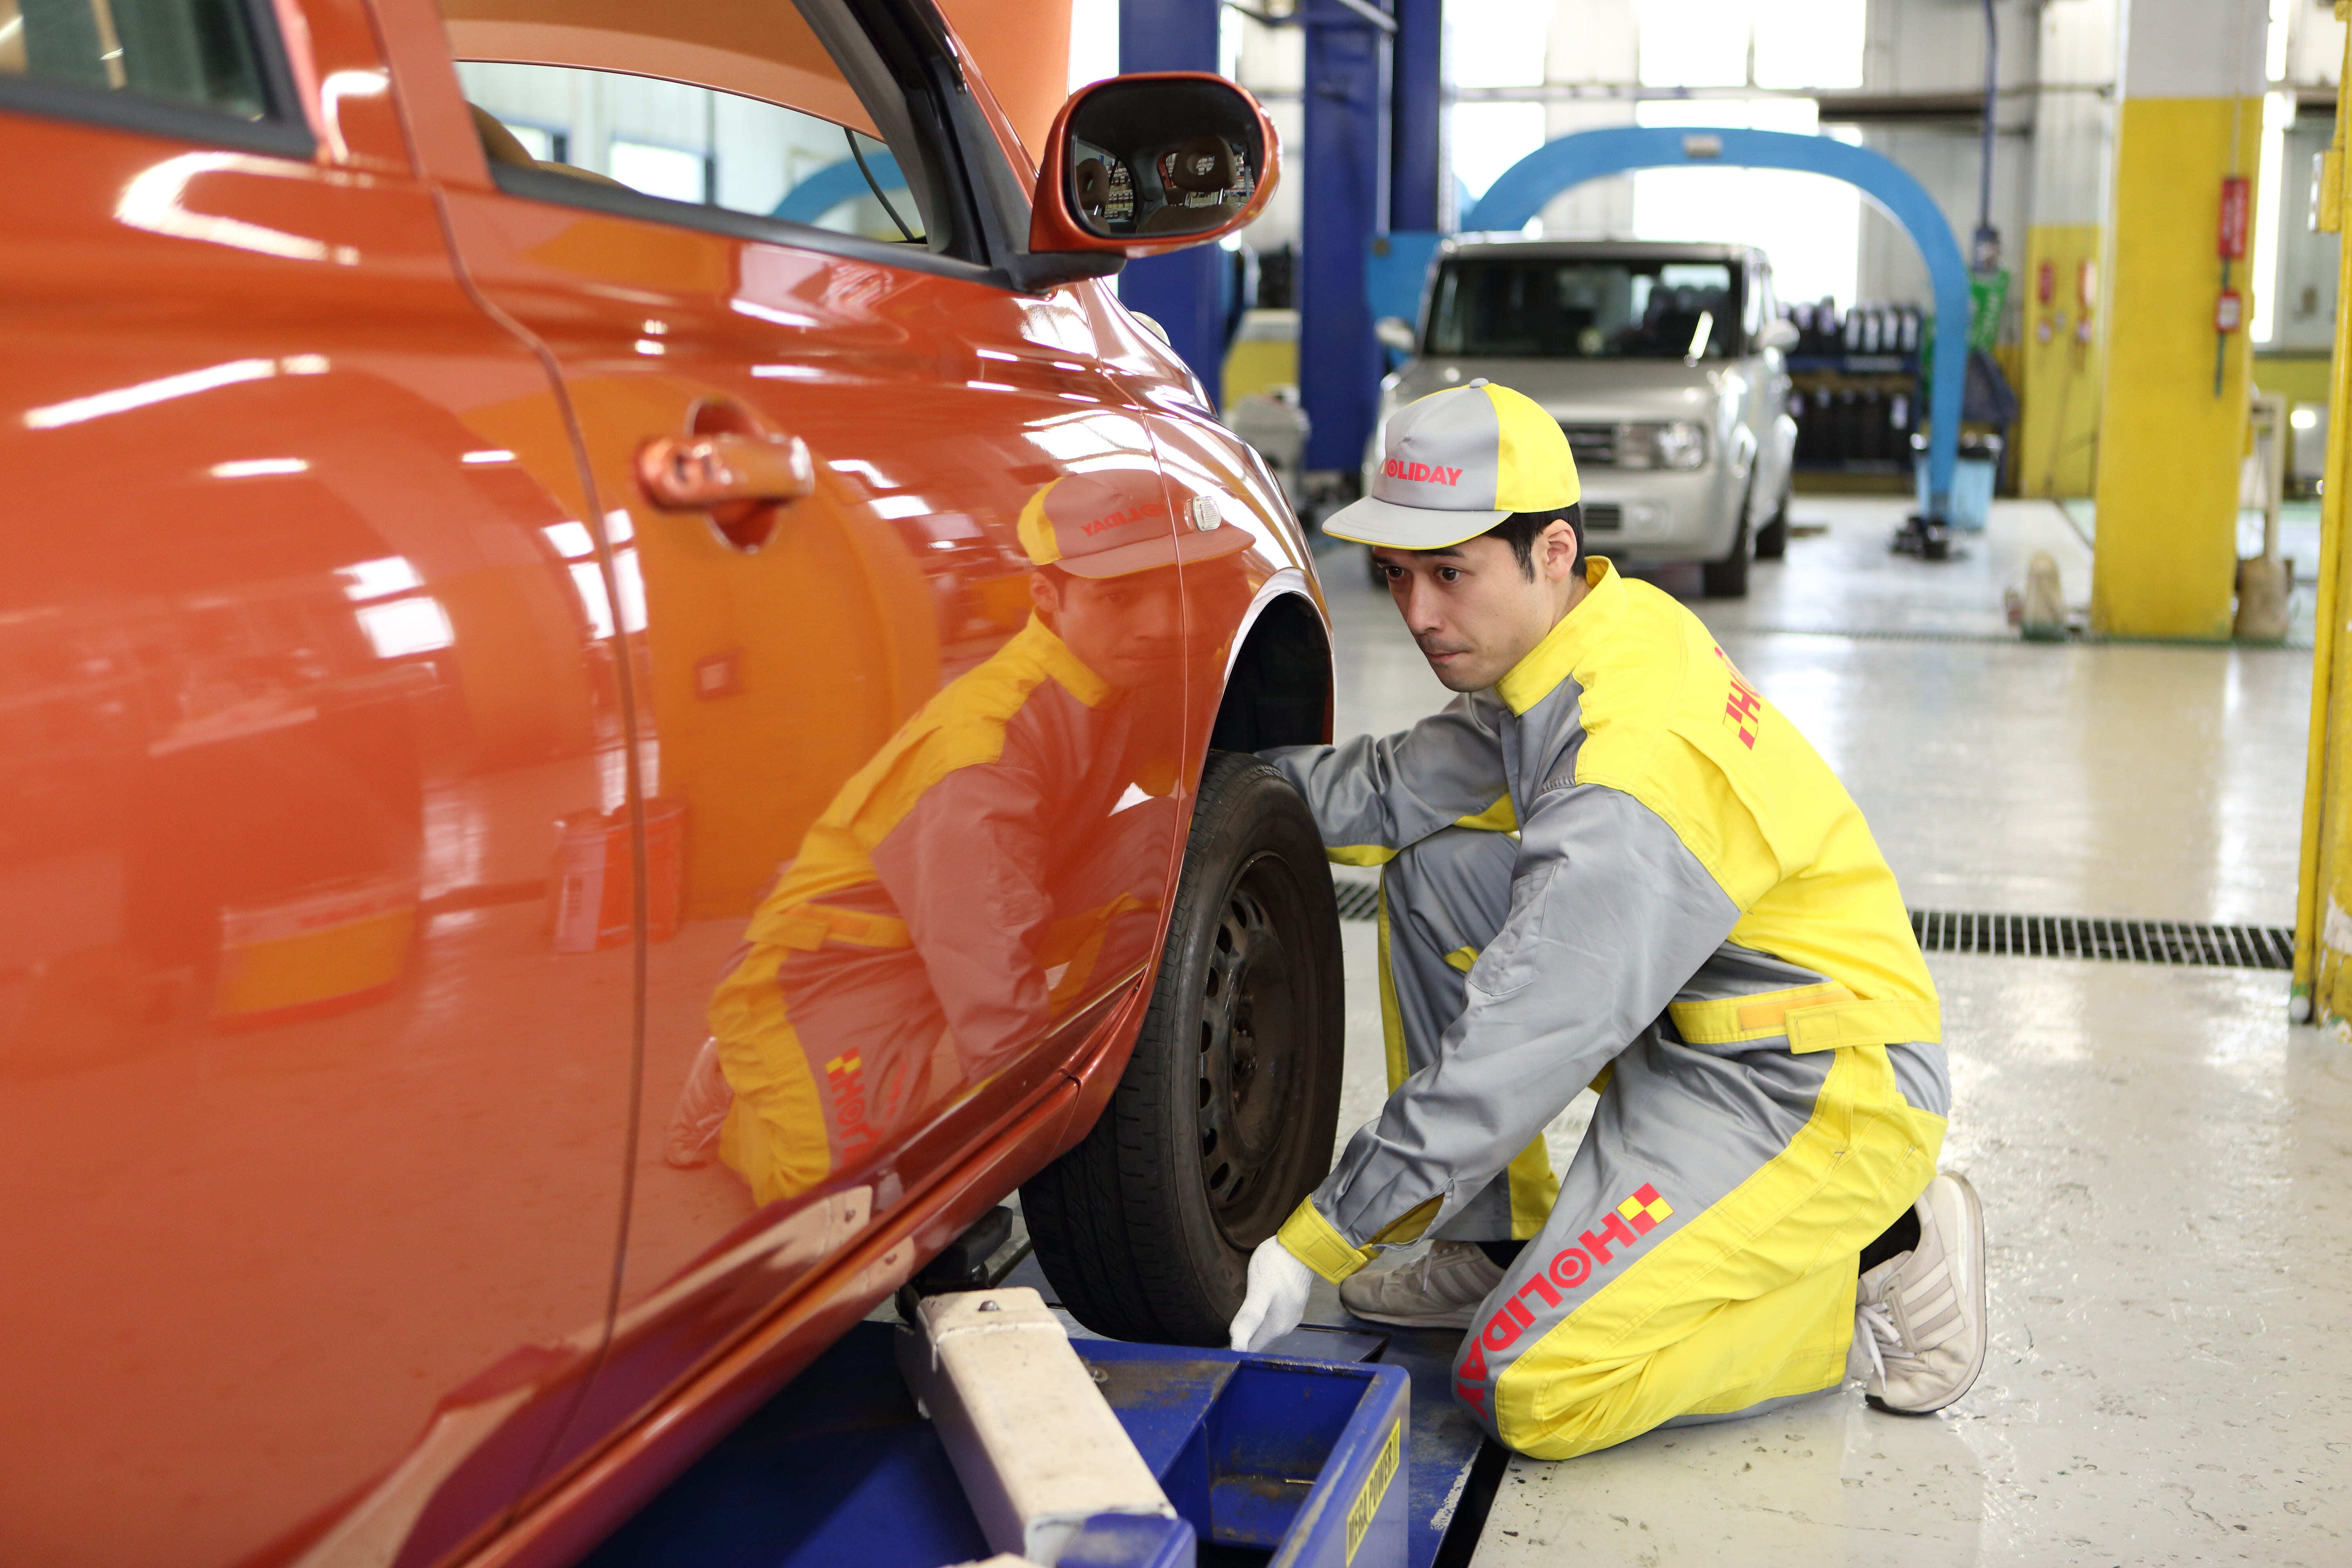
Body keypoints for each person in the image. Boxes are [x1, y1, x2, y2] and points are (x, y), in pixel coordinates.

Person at [1226, 380, 1986, 1457]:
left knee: (1527, 1387)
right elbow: (1390, 792)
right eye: (1397, 576)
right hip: (1698, 1012)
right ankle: (1497, 1240)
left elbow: (1519, 1043)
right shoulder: (1581, 642)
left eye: (1450, 574)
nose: (1419, 613)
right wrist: (1190, 785)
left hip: (1813, 1086)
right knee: (1437, 872)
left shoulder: (1630, 774)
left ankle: (1876, 1253)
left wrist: (1327, 1236)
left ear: (1550, 551)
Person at [670, 467, 1251, 1204]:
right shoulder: (982, 749)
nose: (1166, 624)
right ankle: (737, 1072)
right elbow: (981, 941)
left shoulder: (1129, 669)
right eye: (1118, 596)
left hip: (981, 899)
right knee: (849, 1200)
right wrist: (1032, 1128)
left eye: (1177, 589)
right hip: (838, 961)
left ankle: (1096, 1052)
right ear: (1047, 598)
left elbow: (1187, 783)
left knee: (1174, 845)